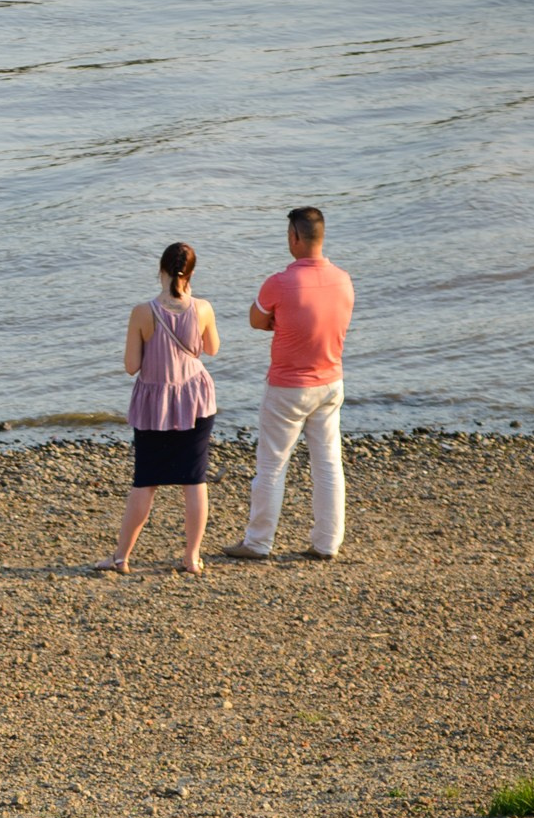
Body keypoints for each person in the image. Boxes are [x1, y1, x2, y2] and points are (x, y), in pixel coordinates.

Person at [221, 206, 354, 562]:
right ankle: (327, 543)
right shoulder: (343, 280)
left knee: (272, 466)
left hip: (287, 387)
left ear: (294, 237)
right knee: (328, 463)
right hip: (330, 382)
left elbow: (255, 319)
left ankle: (258, 542)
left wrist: (279, 321)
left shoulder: (279, 282)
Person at [95, 243, 219, 576]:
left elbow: (131, 366)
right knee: (194, 480)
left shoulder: (143, 312)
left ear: (160, 270)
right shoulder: (203, 308)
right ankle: (192, 557)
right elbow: (212, 348)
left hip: (154, 405)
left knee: (145, 481)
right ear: (191, 274)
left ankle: (121, 557)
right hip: (195, 399)